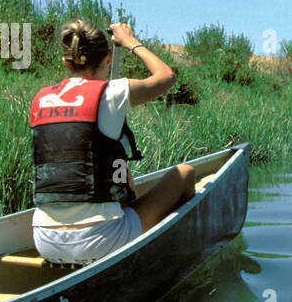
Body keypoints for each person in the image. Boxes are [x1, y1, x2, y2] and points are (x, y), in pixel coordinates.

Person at [29, 20, 196, 265]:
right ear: (108, 58)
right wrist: (130, 41)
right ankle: (174, 251)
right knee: (185, 174)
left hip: (44, 240)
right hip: (99, 239)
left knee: (122, 171)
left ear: (66, 62)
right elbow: (167, 76)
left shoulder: (41, 98)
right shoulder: (114, 91)